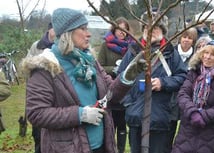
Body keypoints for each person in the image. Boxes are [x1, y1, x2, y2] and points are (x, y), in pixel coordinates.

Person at [20, 8, 145, 153]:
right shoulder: (46, 67)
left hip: (101, 146)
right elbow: (37, 113)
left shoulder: (89, 61)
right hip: (68, 149)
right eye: (83, 29)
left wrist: (126, 77)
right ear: (67, 33)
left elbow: (110, 96)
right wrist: (80, 115)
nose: (89, 34)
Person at [117, 9, 187, 153]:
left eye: (155, 27)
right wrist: (129, 103)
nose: (151, 30)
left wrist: (163, 83)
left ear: (162, 30)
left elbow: (182, 77)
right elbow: (120, 79)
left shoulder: (170, 52)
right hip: (136, 115)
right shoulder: (133, 51)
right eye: (147, 27)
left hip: (161, 116)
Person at [171, 39, 214, 153]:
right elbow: (183, 94)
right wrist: (193, 112)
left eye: (213, 55)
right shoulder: (193, 73)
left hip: (212, 132)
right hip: (187, 130)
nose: (207, 57)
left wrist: (204, 116)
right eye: (205, 53)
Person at [97, 16, 135, 153]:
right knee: (111, 123)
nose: (122, 32)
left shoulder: (132, 46)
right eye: (119, 29)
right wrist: (113, 69)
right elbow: (99, 65)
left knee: (122, 125)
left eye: (125, 29)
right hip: (110, 87)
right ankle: (110, 148)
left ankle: (121, 149)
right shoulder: (105, 45)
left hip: (126, 89)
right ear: (114, 29)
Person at [164, 27, 198, 153]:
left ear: (193, 41)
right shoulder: (171, 53)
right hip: (171, 97)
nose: (186, 40)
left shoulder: (197, 56)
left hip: (189, 98)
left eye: (189, 38)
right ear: (179, 38)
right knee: (169, 131)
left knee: (186, 133)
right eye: (184, 37)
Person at [27, 22, 56, 153]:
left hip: (56, 98)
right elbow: (28, 69)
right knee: (38, 136)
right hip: (39, 94)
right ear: (49, 30)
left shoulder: (62, 47)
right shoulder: (36, 46)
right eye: (55, 29)